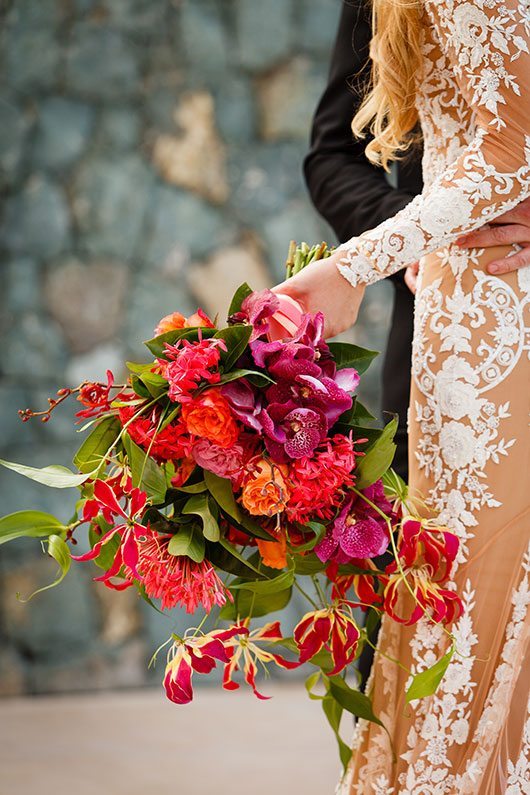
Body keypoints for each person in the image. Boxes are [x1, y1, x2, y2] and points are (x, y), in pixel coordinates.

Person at [273, 0, 530, 790]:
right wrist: (409, 243)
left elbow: (500, 155)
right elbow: (336, 150)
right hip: (450, 318)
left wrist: (354, 266)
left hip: (495, 308)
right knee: (435, 604)